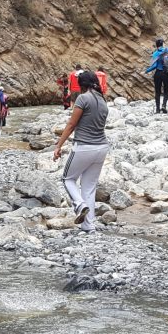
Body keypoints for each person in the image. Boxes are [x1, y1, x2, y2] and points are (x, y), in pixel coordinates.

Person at [53, 70, 110, 234]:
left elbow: (71, 124)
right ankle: (88, 226)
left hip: (84, 147)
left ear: (81, 84)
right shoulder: (102, 100)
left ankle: (79, 205)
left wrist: (58, 146)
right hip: (101, 148)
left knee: (68, 178)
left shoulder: (83, 98)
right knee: (89, 187)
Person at [146, 39, 168, 114]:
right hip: (167, 73)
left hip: (158, 74)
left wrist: (147, 70)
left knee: (157, 91)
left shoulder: (155, 53)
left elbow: (154, 65)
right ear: (162, 44)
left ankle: (157, 109)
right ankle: (164, 105)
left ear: (156, 45)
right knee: (166, 91)